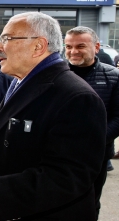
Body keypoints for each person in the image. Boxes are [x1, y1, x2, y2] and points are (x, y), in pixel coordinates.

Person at [0, 12, 107, 221]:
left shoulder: (77, 97)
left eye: (7, 39)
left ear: (38, 46)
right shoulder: (20, 81)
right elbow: (8, 137)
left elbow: (68, 177)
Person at [64, 26, 119, 219]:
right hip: (59, 153)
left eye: (80, 46)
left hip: (96, 155)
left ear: (96, 47)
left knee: (90, 202)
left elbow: (118, 117)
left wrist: (95, 141)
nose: (73, 51)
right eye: (68, 46)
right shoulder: (55, 74)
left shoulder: (113, 76)